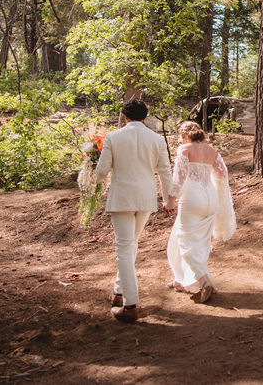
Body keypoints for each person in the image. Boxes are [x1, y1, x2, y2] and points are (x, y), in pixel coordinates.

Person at [95, 99, 173, 323]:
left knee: (124, 247)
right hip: (145, 197)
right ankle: (119, 292)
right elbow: (165, 172)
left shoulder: (113, 137)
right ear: (145, 118)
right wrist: (168, 199)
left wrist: (91, 177)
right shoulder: (156, 139)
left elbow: (102, 170)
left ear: (125, 117)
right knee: (131, 244)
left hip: (122, 197)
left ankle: (131, 304)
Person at [166, 120, 236, 303]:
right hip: (210, 198)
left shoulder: (184, 149)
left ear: (186, 135)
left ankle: (204, 282)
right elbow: (222, 172)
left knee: (185, 240)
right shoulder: (211, 150)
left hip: (191, 198)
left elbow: (179, 176)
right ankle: (179, 279)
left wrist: (172, 198)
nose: (181, 140)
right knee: (193, 240)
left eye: (181, 136)